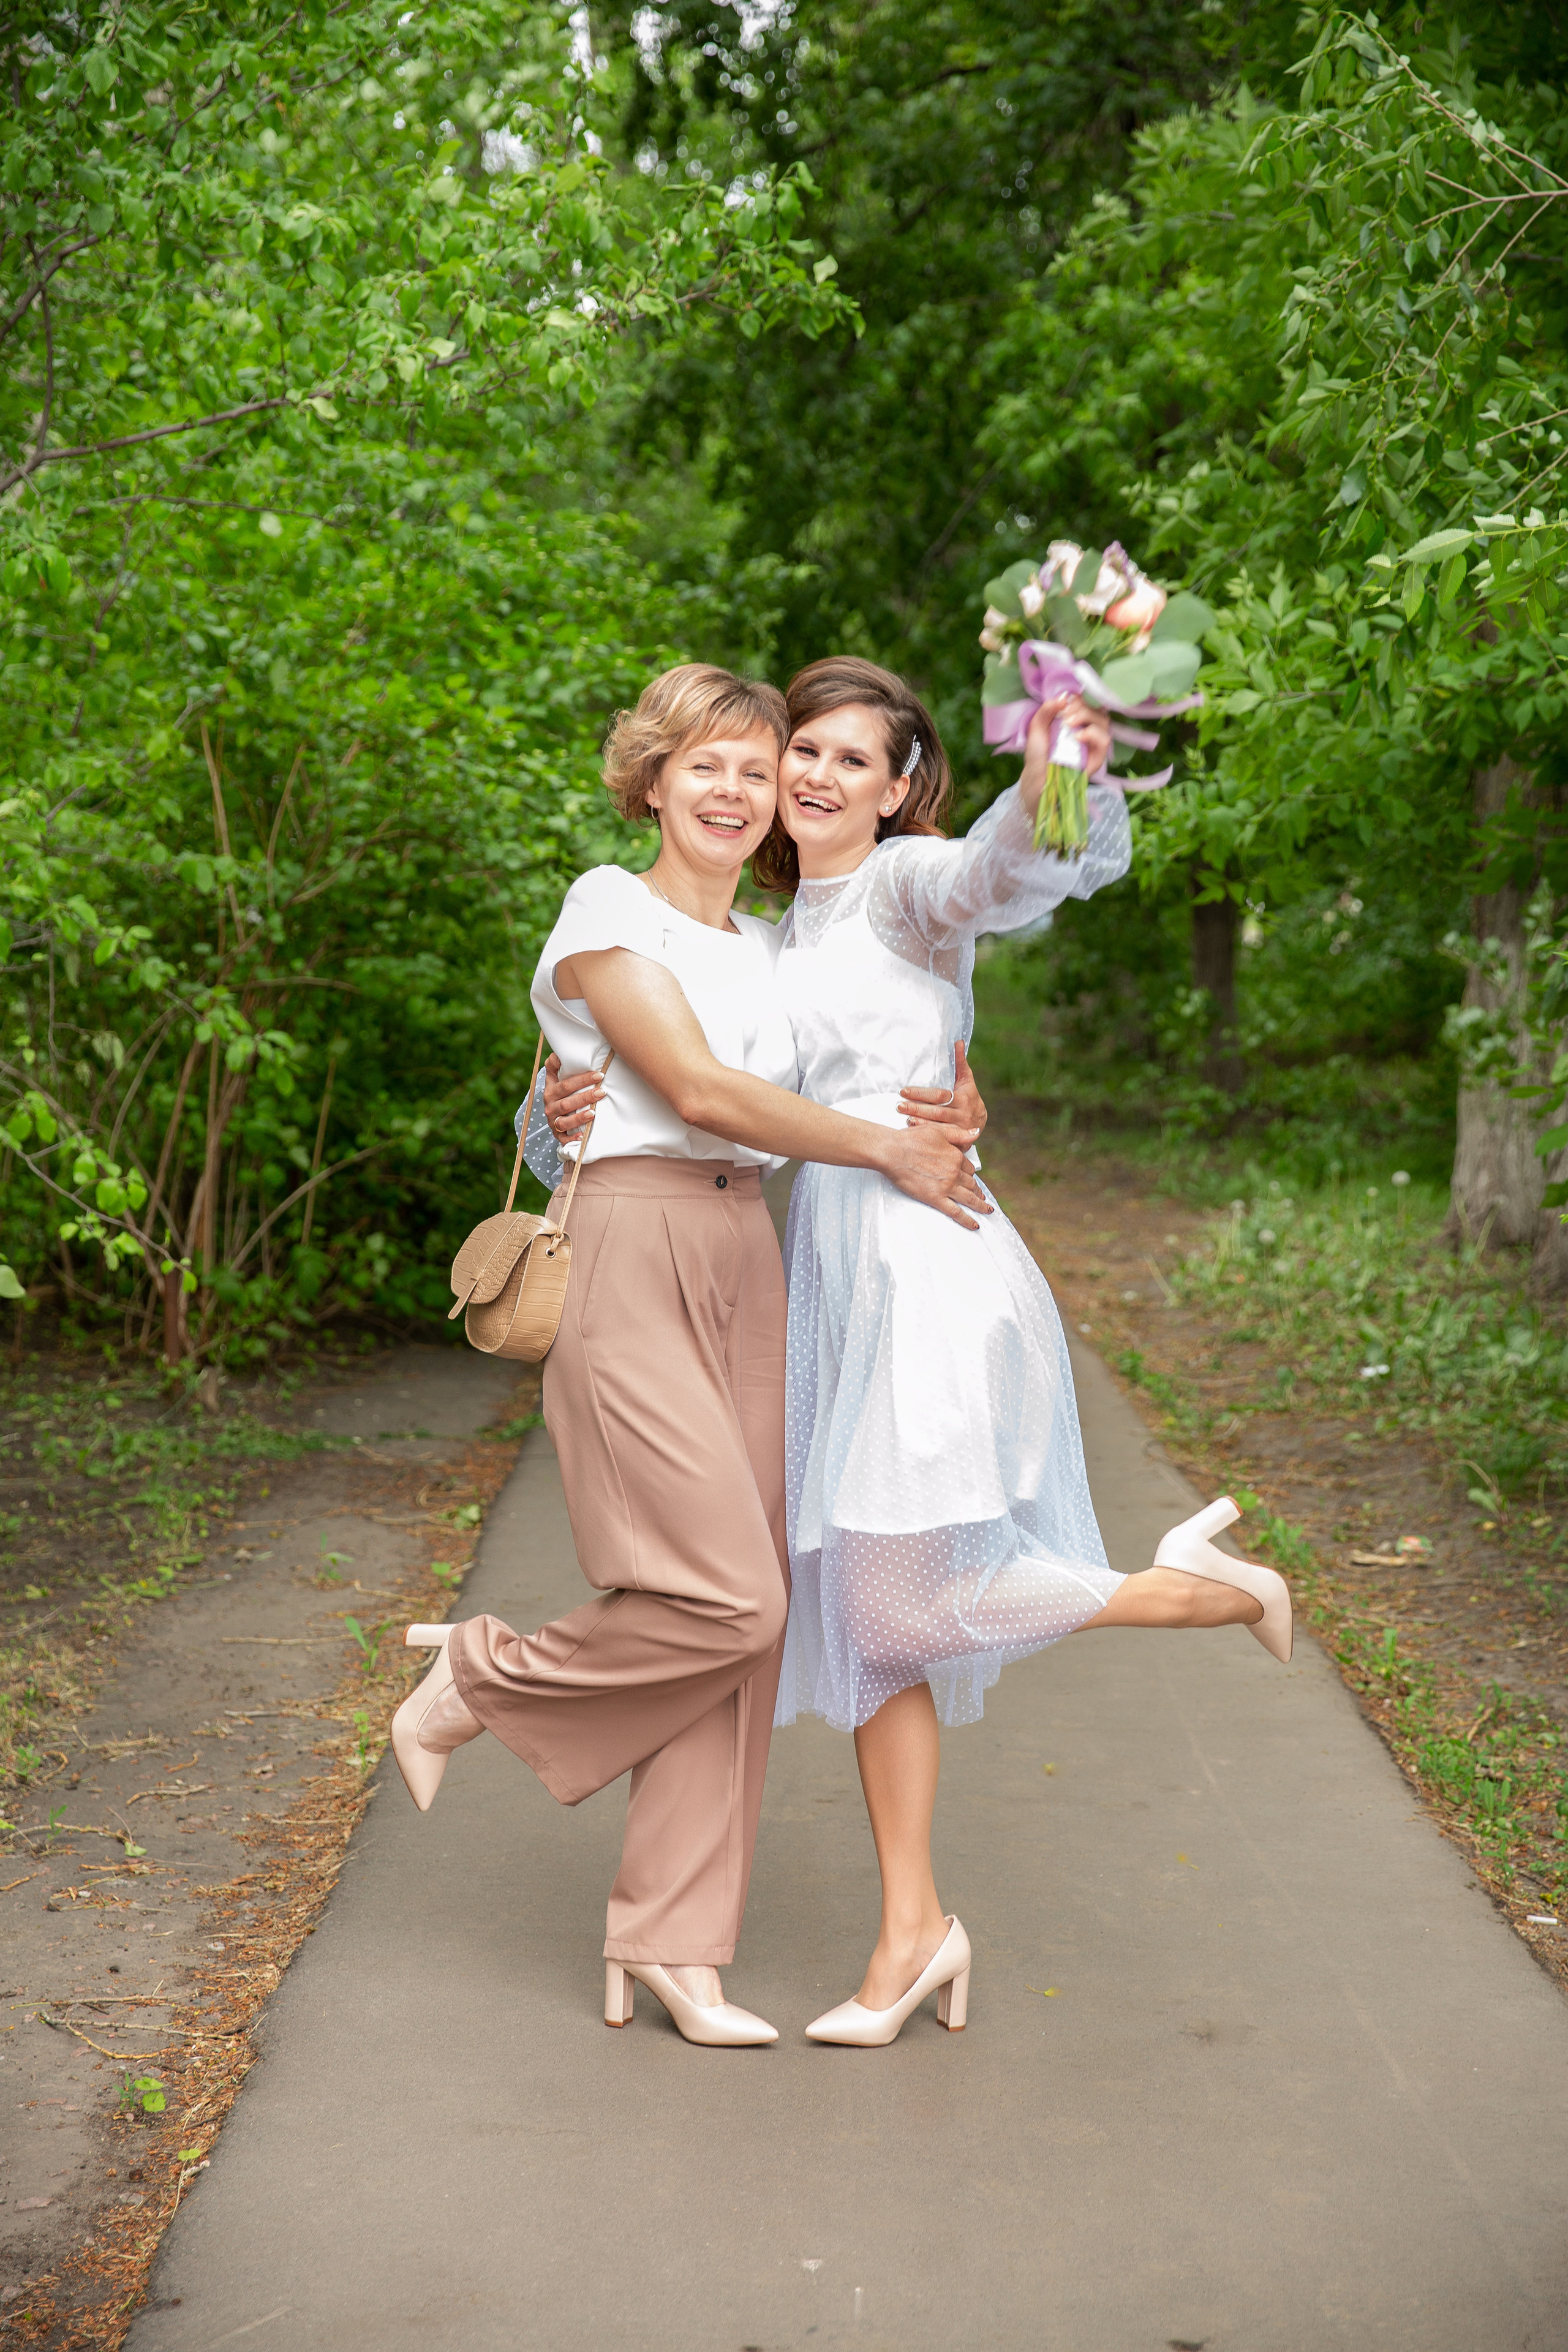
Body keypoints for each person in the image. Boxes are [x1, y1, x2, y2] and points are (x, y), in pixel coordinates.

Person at [543, 657, 1292, 2049]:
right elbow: (688, 1098)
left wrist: (1057, 761)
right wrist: (558, 1093)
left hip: (927, 1259)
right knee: (864, 1606)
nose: (813, 777)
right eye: (798, 755)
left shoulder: (902, 886)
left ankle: (1190, 1591)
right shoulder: (762, 939)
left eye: (847, 760)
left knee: (884, 1603)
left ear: (899, 793)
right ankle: (910, 1935)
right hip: (829, 1270)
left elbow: (991, 875)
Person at [388, 663, 987, 2051]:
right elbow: (702, 1095)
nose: (731, 787)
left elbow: (863, 1070)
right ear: (650, 781)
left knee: (743, 1611)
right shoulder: (610, 905)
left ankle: (670, 1944)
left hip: (746, 1254)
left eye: (753, 764)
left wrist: (948, 1093)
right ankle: (473, 1682)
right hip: (632, 1254)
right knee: (726, 1597)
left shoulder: (772, 947)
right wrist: (883, 1148)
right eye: (700, 764)